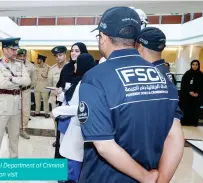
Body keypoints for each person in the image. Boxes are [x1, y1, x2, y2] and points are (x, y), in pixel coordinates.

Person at [78, 7, 181, 183]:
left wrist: (146, 177)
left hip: (104, 177)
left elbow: (104, 145)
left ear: (103, 38)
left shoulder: (95, 78)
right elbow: (175, 136)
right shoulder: (161, 76)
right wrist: (160, 179)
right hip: (150, 170)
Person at [136, 27, 185, 183]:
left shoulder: (151, 77)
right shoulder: (163, 72)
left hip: (147, 158)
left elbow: (174, 134)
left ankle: (57, 172)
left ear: (140, 47)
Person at [52, 53, 96, 183]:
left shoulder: (86, 83)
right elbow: (70, 98)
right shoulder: (79, 80)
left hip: (76, 127)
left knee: (73, 165)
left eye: (77, 63)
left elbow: (81, 107)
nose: (74, 65)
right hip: (69, 124)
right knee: (68, 157)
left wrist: (58, 110)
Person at [0, 38, 30, 158]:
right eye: (13, 49)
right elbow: (0, 84)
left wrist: (12, 79)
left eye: (16, 49)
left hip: (16, 105)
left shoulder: (20, 64)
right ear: (4, 49)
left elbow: (27, 81)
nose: (16, 52)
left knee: (14, 136)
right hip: (1, 104)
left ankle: (13, 160)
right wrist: (19, 81)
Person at [47, 46, 67, 153]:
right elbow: (49, 85)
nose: (58, 58)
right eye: (57, 56)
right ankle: (57, 139)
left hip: (66, 100)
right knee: (56, 120)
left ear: (65, 55)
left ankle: (66, 140)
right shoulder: (52, 69)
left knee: (66, 119)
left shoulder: (70, 66)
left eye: (60, 55)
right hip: (54, 98)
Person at [17, 48, 37, 139]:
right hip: (15, 91)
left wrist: (26, 86)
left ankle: (23, 130)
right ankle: (15, 130)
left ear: (26, 56)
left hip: (25, 91)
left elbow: (34, 80)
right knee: (15, 110)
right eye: (20, 56)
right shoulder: (13, 65)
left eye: (23, 56)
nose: (22, 58)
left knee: (25, 111)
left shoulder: (31, 66)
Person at [180, 60, 203, 126]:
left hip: (196, 97)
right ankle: (185, 123)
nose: (195, 66)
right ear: (191, 65)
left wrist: (198, 93)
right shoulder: (187, 74)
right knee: (187, 110)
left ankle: (193, 123)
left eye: (196, 65)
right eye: (193, 64)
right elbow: (183, 85)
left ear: (198, 65)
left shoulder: (200, 74)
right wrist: (189, 92)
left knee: (195, 111)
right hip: (187, 97)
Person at [32, 54, 50, 118]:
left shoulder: (48, 67)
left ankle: (46, 112)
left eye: (38, 59)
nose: (37, 60)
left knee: (45, 100)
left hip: (44, 86)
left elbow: (50, 77)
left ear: (42, 60)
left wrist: (46, 76)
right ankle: (37, 112)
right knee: (37, 100)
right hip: (37, 86)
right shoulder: (35, 67)